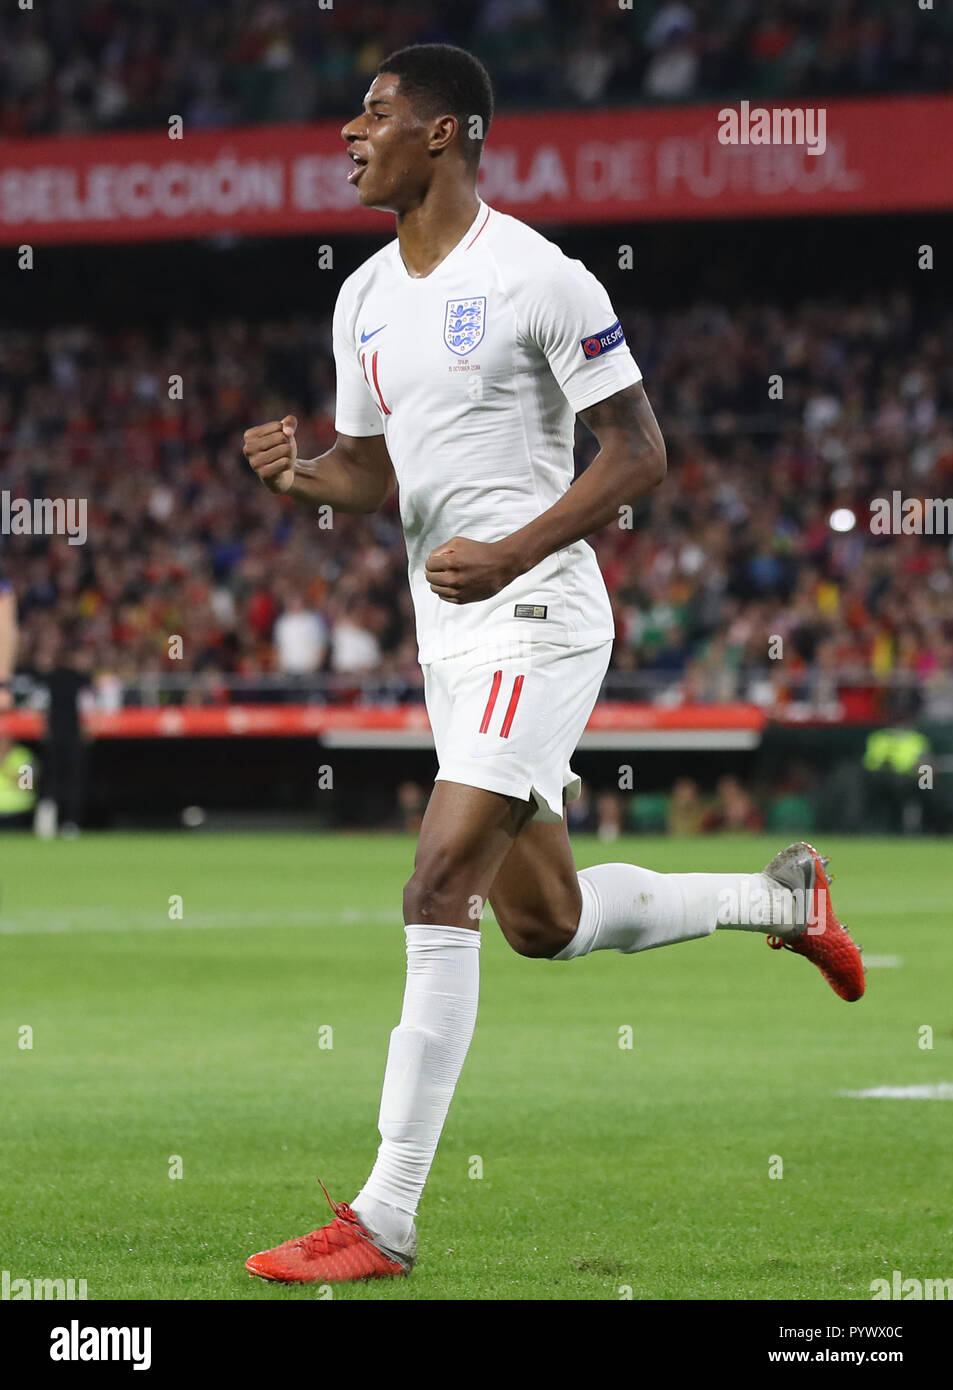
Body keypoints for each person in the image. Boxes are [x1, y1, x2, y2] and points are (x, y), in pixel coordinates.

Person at [241, 44, 865, 1285]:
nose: (346, 135)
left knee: (435, 882)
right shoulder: (360, 293)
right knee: (545, 923)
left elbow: (638, 452)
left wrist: (513, 549)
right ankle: (780, 901)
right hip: (452, 633)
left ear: (448, 133)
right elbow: (375, 473)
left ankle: (383, 1217)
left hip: (540, 616)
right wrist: (308, 475)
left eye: (373, 114)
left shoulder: (538, 276)